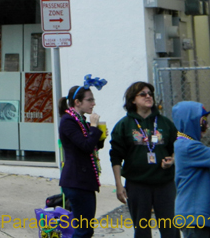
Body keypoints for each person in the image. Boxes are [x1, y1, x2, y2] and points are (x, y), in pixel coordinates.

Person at [109, 81, 178, 238]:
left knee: (170, 230)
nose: (148, 96)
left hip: (164, 184)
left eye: (150, 94)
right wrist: (119, 186)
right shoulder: (124, 125)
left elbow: (176, 148)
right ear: (133, 100)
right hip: (138, 185)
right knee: (142, 230)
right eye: (143, 94)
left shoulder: (164, 123)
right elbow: (116, 157)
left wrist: (172, 160)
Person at [172, 101, 210, 238]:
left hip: (195, 215)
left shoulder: (187, 144)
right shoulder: (188, 147)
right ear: (190, 121)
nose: (207, 126)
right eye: (203, 122)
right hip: (193, 215)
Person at [59, 77, 106, 238]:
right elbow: (85, 146)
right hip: (76, 181)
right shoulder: (68, 121)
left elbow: (92, 146)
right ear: (77, 102)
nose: (93, 103)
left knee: (86, 229)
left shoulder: (80, 120)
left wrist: (100, 136)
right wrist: (93, 127)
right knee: (83, 230)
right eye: (90, 100)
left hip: (84, 182)